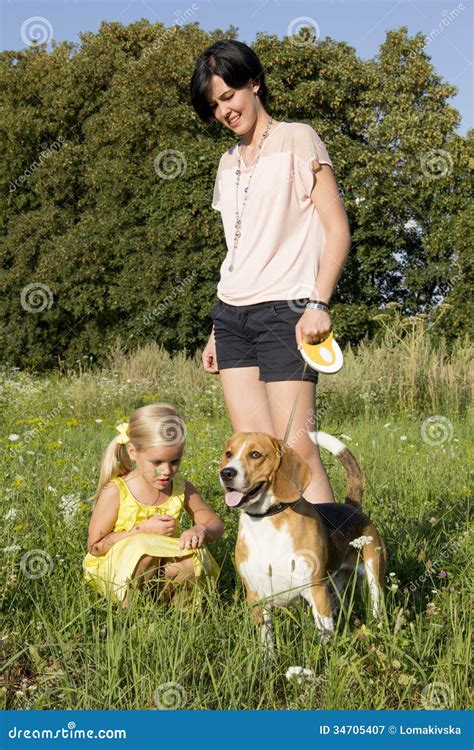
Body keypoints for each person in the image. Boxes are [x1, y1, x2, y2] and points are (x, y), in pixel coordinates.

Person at [190, 40, 352, 504]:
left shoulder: (298, 138)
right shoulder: (226, 164)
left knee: (295, 449)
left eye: (228, 96)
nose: (224, 111)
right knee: (251, 453)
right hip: (232, 316)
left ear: (254, 83)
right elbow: (237, 251)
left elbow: (337, 230)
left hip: (289, 312)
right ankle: (277, 573)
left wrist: (319, 303)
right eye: (213, 105)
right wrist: (217, 330)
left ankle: (331, 568)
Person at [83, 403, 223, 607]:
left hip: (161, 568)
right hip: (117, 569)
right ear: (132, 451)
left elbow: (215, 524)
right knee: (144, 550)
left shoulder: (182, 488)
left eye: (175, 461)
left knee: (192, 558)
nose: (166, 471)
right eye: (156, 463)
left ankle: (180, 617)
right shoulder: (116, 491)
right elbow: (95, 547)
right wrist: (141, 530)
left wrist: (200, 529)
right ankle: (133, 616)